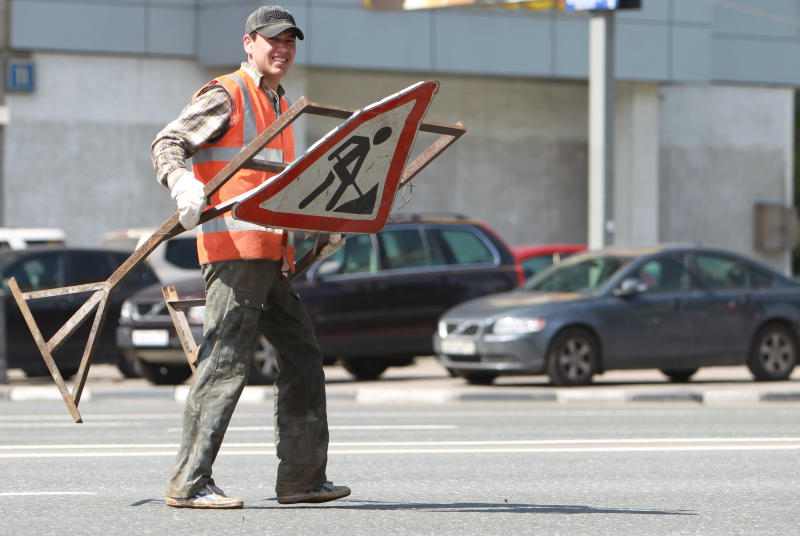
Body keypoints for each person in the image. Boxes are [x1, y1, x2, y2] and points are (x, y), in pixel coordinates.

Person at [151, 5, 349, 509]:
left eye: (290, 41)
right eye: (271, 40)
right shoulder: (228, 93)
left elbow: (280, 190)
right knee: (225, 361)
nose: (281, 48)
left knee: (303, 356)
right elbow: (169, 141)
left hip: (271, 256)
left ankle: (302, 479)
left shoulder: (281, 105)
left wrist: (317, 232)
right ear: (249, 43)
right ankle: (189, 482)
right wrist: (181, 183)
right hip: (234, 255)